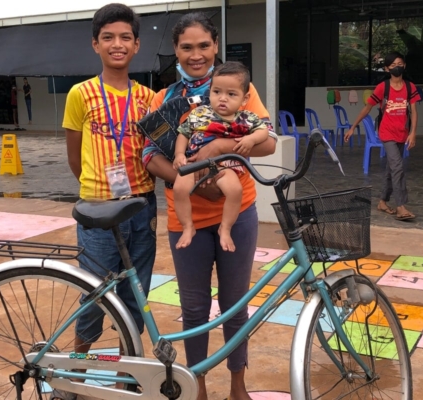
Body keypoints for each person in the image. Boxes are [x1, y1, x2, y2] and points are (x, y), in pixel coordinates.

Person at [142, 12, 277, 400]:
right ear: (176, 50)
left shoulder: (237, 87)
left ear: (216, 46)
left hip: (238, 214)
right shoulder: (165, 99)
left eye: (204, 46)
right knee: (195, 309)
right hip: (186, 216)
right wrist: (201, 187)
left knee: (236, 305)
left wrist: (218, 148)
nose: (196, 54)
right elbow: (150, 156)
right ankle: (197, 386)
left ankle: (238, 385)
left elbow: (266, 141)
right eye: (187, 47)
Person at [59, 3, 156, 400]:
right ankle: (75, 374)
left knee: (135, 298)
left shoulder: (149, 97)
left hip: (143, 205)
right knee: (94, 296)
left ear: (136, 45)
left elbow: (157, 150)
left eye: (125, 38)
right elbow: (73, 155)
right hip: (98, 210)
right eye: (108, 37)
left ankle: (125, 379)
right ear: (95, 44)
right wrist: (97, 188)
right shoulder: (80, 94)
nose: (117, 45)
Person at [173, 61, 269, 251]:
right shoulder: (199, 113)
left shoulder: (246, 118)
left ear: (244, 98)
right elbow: (183, 133)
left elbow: (264, 132)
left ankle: (225, 229)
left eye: (231, 94)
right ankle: (187, 226)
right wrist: (178, 154)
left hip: (226, 167)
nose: (222, 99)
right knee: (179, 188)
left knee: (235, 191)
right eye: (217, 92)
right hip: (196, 165)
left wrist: (251, 140)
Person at [345, 51, 420, 221]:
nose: (396, 67)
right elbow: (367, 108)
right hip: (386, 133)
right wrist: (353, 126)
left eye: (399, 64)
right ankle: (401, 206)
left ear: (405, 66)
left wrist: (413, 132)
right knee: (398, 167)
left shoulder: (410, 87)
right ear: (387, 68)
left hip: (403, 133)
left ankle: (382, 202)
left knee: (391, 169)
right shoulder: (383, 88)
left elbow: (414, 111)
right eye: (392, 65)